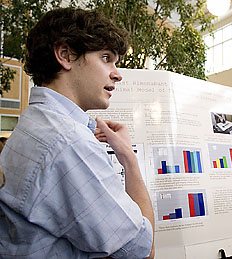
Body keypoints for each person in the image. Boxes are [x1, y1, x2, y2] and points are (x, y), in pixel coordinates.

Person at [0, 7, 154, 258]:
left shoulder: (35, 123)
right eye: (106, 58)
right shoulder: (69, 143)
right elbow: (143, 252)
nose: (117, 74)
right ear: (65, 55)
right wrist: (129, 159)